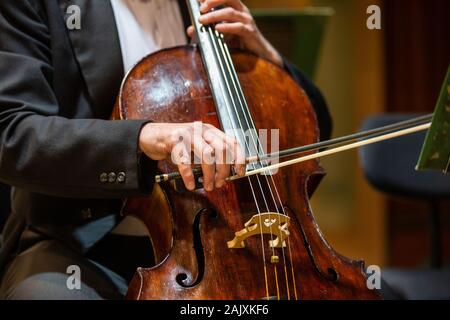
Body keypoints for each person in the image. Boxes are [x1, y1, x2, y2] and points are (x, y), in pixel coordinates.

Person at [0, 0, 331, 299]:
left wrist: (266, 59)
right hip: (83, 246)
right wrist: (145, 137)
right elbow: (14, 134)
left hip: (230, 243)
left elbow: (311, 133)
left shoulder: (204, 6)